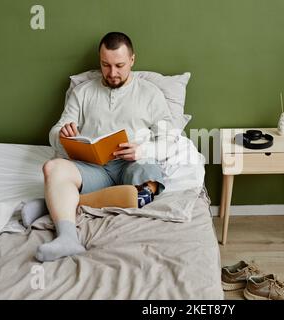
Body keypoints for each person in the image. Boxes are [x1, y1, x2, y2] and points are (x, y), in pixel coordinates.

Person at [27, 32, 174, 262]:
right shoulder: (82, 92)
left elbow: (171, 138)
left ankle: (54, 202)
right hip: (93, 166)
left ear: (132, 60)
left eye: (119, 65)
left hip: (133, 164)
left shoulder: (150, 93)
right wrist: (62, 134)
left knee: (145, 189)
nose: (112, 73)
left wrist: (142, 150)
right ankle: (67, 238)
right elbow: (55, 132)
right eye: (106, 65)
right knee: (52, 168)